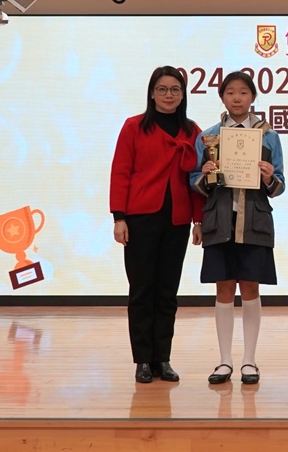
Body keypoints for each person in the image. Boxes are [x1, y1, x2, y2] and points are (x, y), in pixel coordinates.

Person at [110, 65, 205, 384]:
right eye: (162, 89)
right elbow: (120, 171)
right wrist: (119, 217)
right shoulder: (134, 126)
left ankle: (162, 358)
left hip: (177, 221)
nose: (169, 95)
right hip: (140, 219)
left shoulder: (193, 131)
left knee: (167, 292)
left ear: (183, 94)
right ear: (152, 93)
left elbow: (197, 180)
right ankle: (142, 360)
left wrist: (199, 220)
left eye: (175, 89)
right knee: (141, 290)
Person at [191, 71, 285, 385]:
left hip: (254, 220)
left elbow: (280, 184)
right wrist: (205, 173)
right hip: (219, 221)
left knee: (251, 289)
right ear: (222, 97)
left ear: (253, 97)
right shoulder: (208, 137)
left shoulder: (268, 136)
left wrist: (269, 176)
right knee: (223, 289)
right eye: (230, 92)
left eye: (243, 92)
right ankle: (224, 361)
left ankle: (249, 360)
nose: (237, 98)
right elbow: (194, 181)